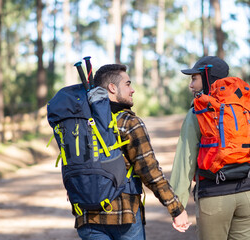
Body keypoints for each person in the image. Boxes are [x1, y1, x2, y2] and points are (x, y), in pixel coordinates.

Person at [75, 64, 190, 240]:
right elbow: (150, 171)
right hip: (124, 215)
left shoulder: (80, 122)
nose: (133, 90)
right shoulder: (128, 121)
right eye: (127, 84)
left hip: (86, 215)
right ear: (112, 88)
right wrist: (176, 208)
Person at [170, 56, 250, 240]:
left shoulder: (198, 112)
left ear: (207, 78)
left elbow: (184, 161)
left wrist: (176, 207)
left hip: (214, 197)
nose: (191, 85)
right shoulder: (248, 111)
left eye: (194, 78)